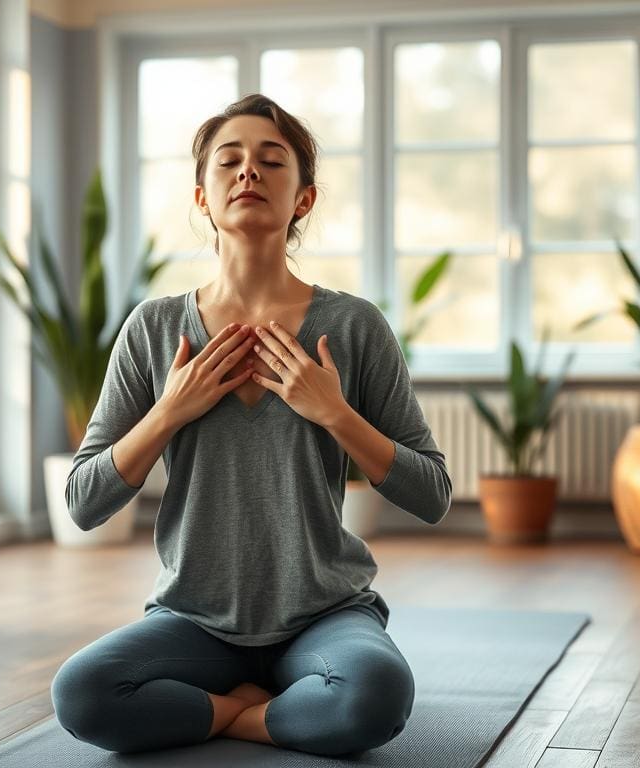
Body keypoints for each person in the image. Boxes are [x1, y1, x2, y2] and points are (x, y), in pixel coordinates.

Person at [50, 93, 453, 757]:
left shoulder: (354, 328)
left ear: (304, 199)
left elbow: (432, 495)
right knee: (83, 693)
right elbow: (83, 504)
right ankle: (247, 709)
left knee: (374, 696)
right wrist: (170, 410)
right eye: (228, 161)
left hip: (325, 614)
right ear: (203, 197)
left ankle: (229, 714)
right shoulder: (153, 329)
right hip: (194, 623)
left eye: (271, 161)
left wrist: (334, 413)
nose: (248, 173)